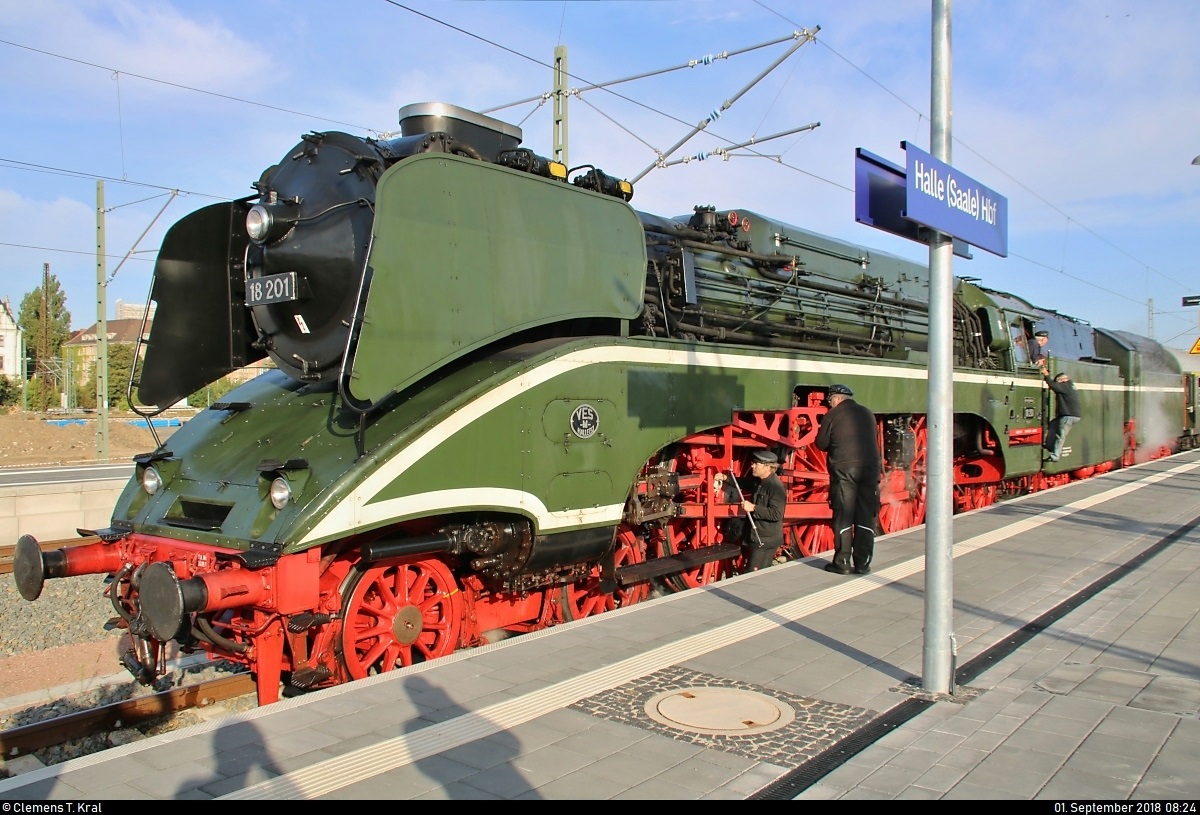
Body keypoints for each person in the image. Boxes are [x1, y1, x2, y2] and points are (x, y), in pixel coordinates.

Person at [815, 384, 881, 576]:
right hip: (870, 469)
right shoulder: (868, 413)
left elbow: (821, 443)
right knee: (866, 515)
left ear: (835, 399)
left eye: (830, 401)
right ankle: (863, 563)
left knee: (844, 515)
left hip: (845, 470)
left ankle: (842, 562)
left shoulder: (833, 415)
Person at [738, 448, 786, 572]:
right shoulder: (758, 481)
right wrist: (725, 478)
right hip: (757, 537)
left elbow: (776, 514)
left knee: (755, 575)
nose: (752, 466)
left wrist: (753, 508)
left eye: (756, 464)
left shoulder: (776, 487)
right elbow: (743, 483)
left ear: (767, 467)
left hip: (765, 540)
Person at [1041, 367, 1081, 462]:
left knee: (1060, 435)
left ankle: (1055, 456)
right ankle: (1049, 445)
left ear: (1062, 380)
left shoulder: (1065, 385)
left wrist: (1046, 375)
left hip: (1068, 415)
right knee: (1053, 424)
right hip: (1071, 415)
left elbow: (1053, 385)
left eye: (1057, 382)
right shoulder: (1070, 386)